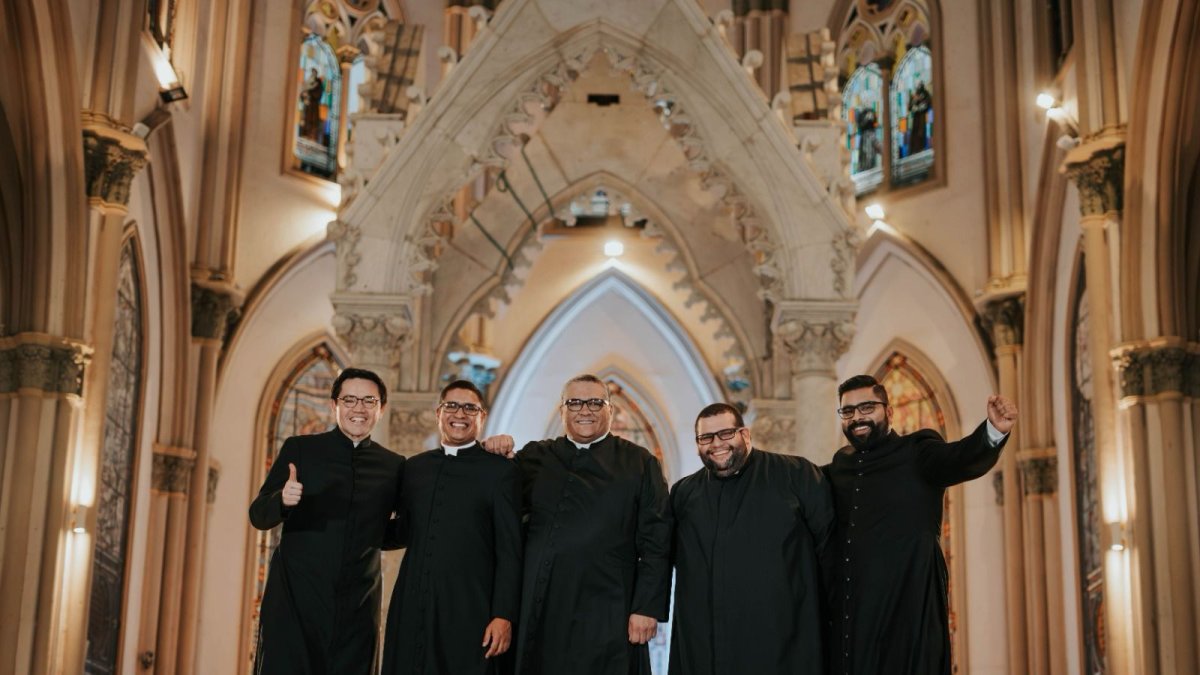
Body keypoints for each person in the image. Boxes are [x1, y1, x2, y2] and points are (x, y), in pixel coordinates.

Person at [824, 374, 1017, 675]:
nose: (856, 418)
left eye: (866, 408)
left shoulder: (917, 451)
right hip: (855, 616)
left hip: (909, 607)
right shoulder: (839, 467)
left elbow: (959, 458)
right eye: (847, 411)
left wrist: (993, 431)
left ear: (888, 411)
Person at [509, 374, 672, 675]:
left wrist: (646, 607)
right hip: (543, 605)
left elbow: (657, 539)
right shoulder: (534, 457)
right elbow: (501, 511)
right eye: (575, 402)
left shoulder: (639, 462)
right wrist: (494, 449)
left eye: (596, 402)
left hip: (610, 608)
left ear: (611, 410)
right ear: (562, 411)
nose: (585, 410)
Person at [249, 367, 403, 675]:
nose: (358, 408)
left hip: (358, 608)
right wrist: (283, 500)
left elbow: (396, 532)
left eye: (369, 401)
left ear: (381, 409)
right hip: (296, 603)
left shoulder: (394, 466)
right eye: (350, 400)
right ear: (335, 405)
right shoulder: (300, 449)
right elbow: (258, 515)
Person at [669, 403, 834, 675]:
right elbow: (667, 555)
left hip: (785, 640)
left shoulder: (796, 474)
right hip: (709, 642)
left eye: (725, 434)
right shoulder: (684, 494)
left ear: (745, 434)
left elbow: (829, 549)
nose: (716, 444)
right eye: (706, 438)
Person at [381, 379, 522, 675]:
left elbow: (510, 550)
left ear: (481, 417)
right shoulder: (414, 468)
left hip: (471, 607)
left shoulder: (500, 470)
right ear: (438, 413)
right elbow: (402, 531)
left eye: (470, 408)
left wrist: (503, 614)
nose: (460, 414)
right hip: (413, 600)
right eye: (452, 406)